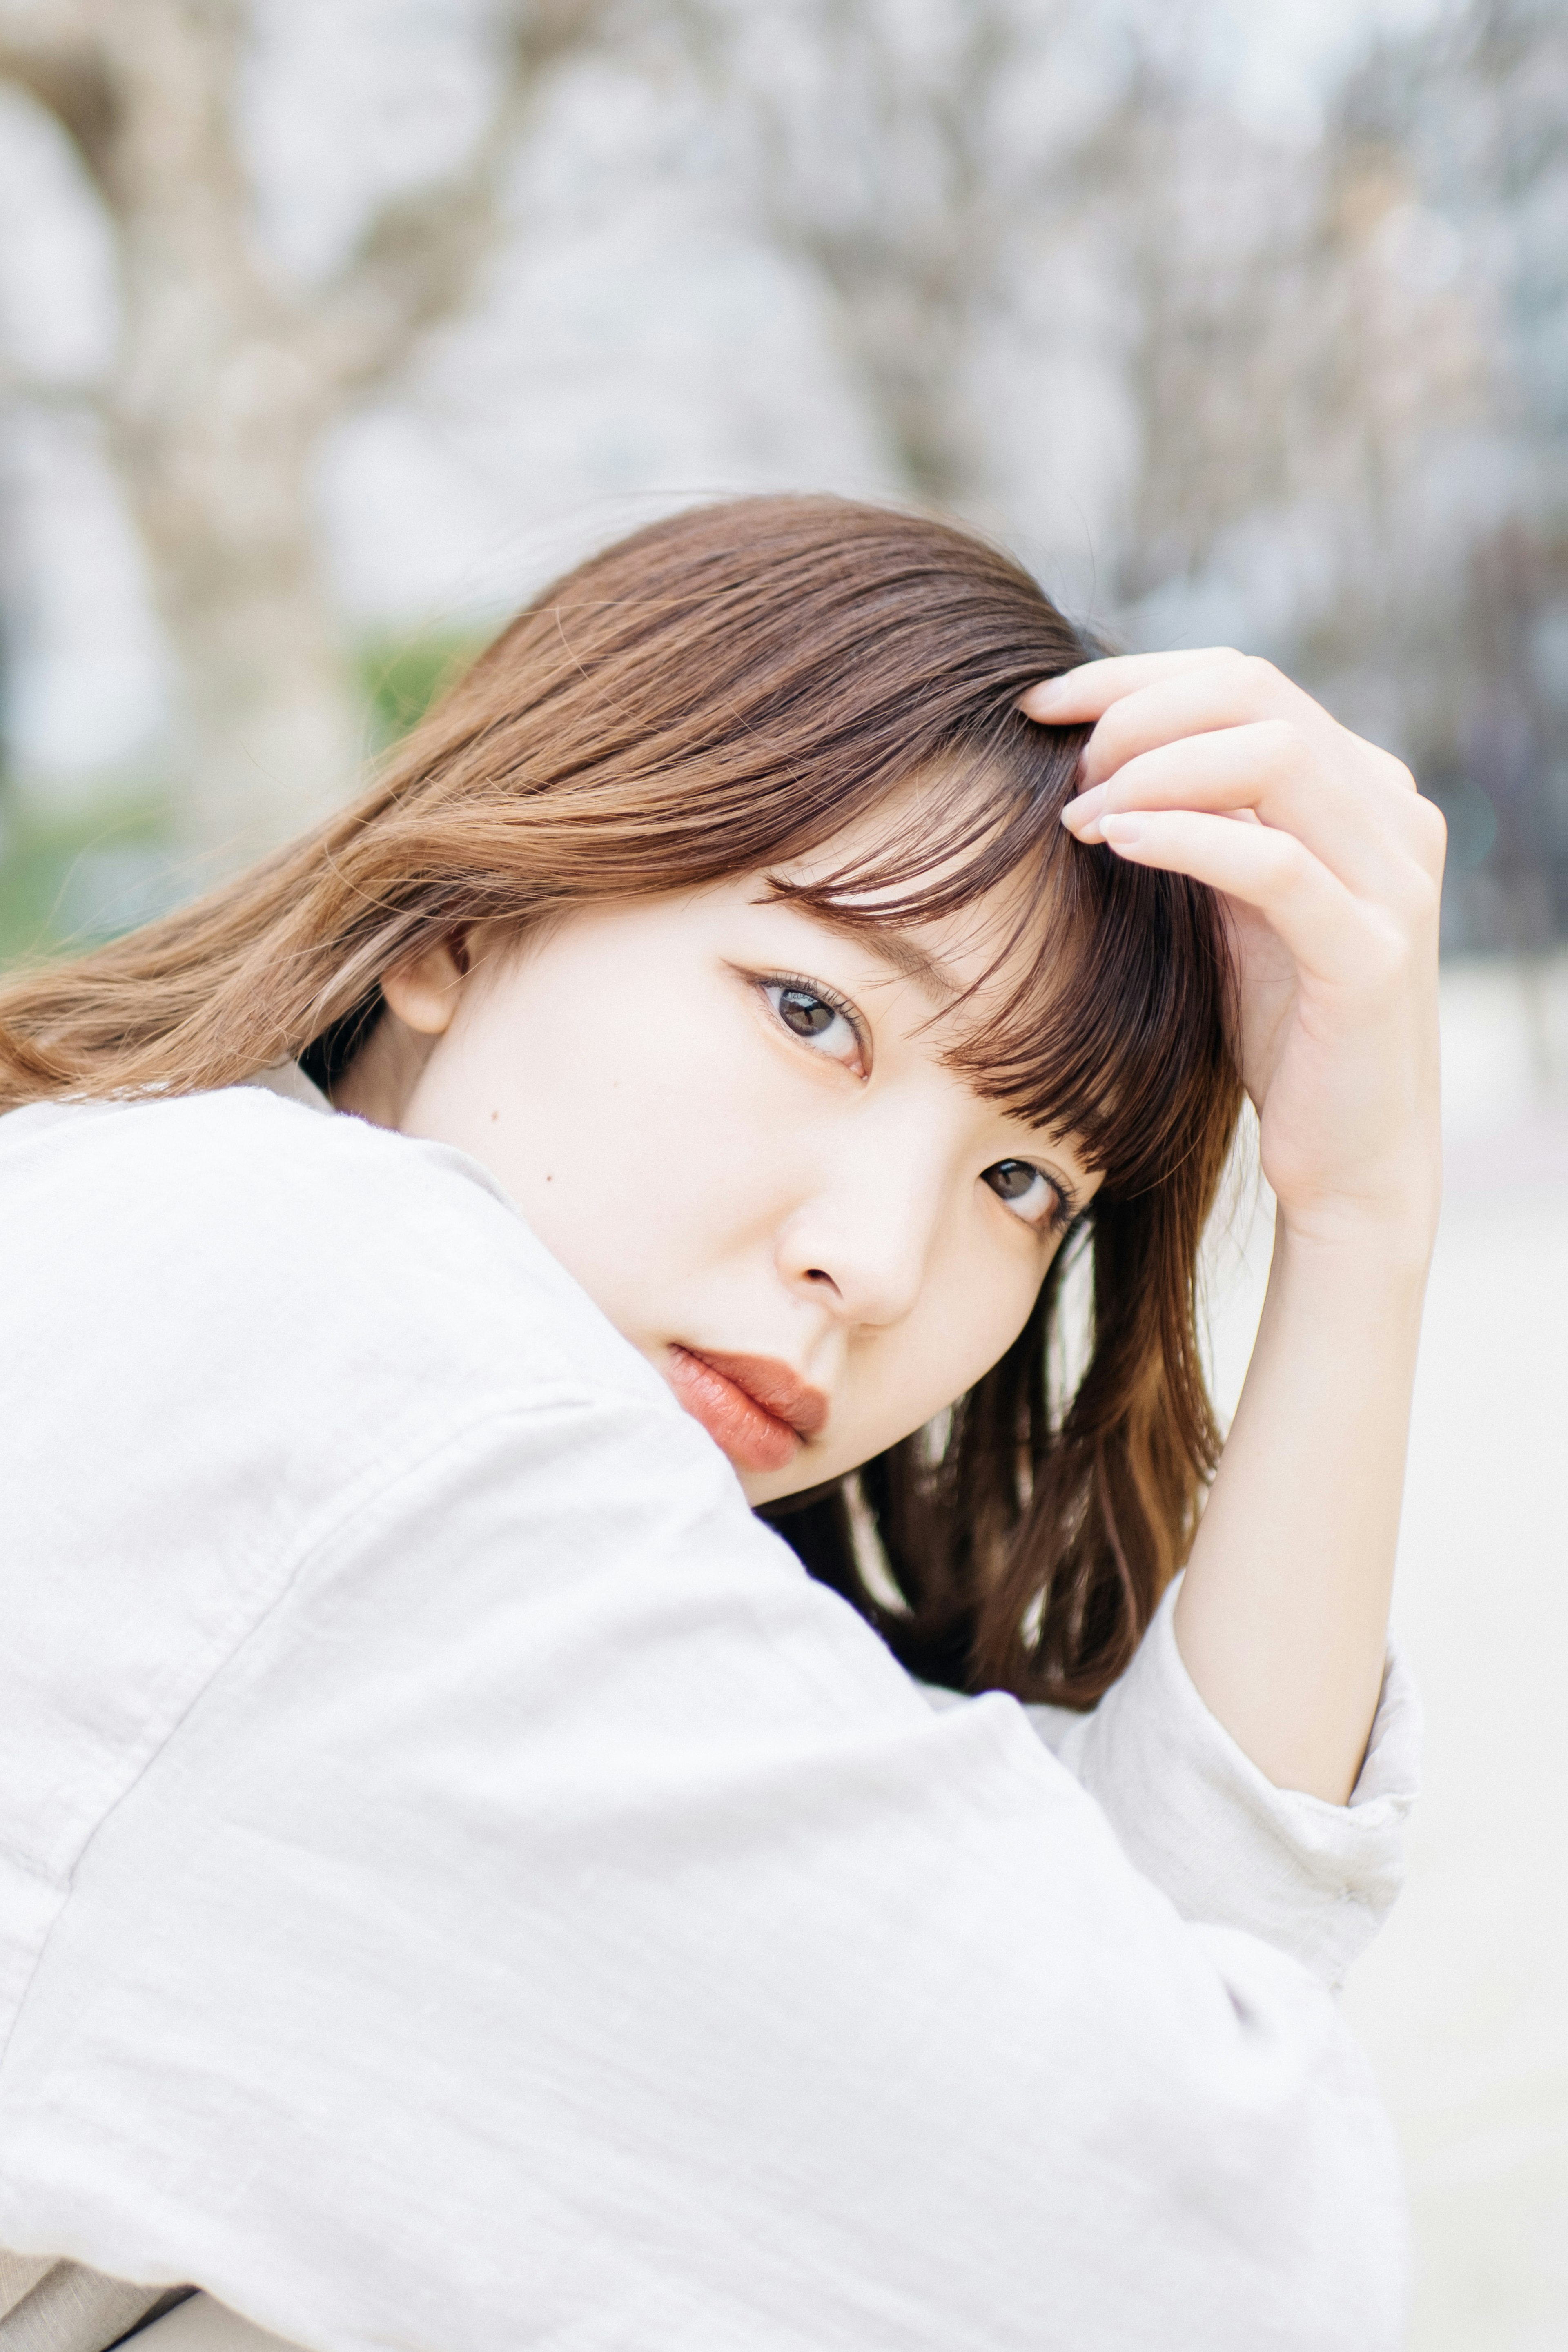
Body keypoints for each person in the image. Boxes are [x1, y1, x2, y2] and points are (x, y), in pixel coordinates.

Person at [0, 497, 1441, 2352]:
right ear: (463, 918)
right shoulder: (328, 1335)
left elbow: (1119, 1994)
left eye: (1020, 1178)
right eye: (810, 1013)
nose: (878, 1262)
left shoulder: (168, 1241)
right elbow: (1209, 2261)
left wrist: (1357, 1220)